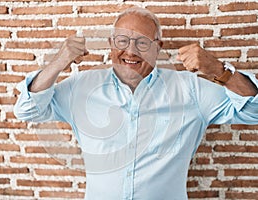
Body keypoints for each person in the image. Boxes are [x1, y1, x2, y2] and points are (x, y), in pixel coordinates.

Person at [14, 6, 258, 200]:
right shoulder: (82, 87)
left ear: (157, 47)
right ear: (111, 44)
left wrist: (218, 69)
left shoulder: (190, 89)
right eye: (122, 41)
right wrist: (58, 63)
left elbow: (253, 111)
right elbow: (27, 109)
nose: (130, 52)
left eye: (142, 43)